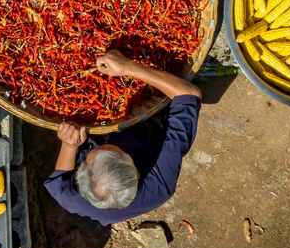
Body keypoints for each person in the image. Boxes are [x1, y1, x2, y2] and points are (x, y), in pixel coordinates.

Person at [44, 49, 202, 226]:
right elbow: (189, 94)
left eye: (96, 152)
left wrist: (69, 146)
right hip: (142, 132)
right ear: (135, 169)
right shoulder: (159, 186)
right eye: (113, 149)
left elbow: (59, 181)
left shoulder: (72, 199)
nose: (106, 142)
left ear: (80, 174)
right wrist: (127, 67)